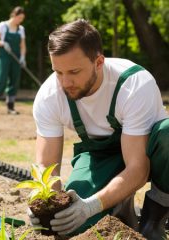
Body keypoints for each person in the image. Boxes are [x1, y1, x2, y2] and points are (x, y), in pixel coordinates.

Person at [30, 19, 169, 239]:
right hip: (100, 156)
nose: (65, 82)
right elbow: (47, 166)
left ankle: (154, 221)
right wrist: (45, 204)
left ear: (99, 62)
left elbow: (137, 169)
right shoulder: (49, 96)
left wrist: (92, 205)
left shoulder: (133, 85)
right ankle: (122, 211)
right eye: (58, 72)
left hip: (149, 153)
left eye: (74, 71)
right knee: (70, 224)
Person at [0, 6, 26, 115]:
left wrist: (23, 58)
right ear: (14, 15)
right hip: (4, 58)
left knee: (14, 81)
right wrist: (3, 43)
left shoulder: (21, 29)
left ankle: (10, 107)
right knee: (1, 80)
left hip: (16, 58)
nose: (21, 20)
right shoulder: (3, 26)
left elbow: (23, 45)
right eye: (20, 18)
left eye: (22, 18)